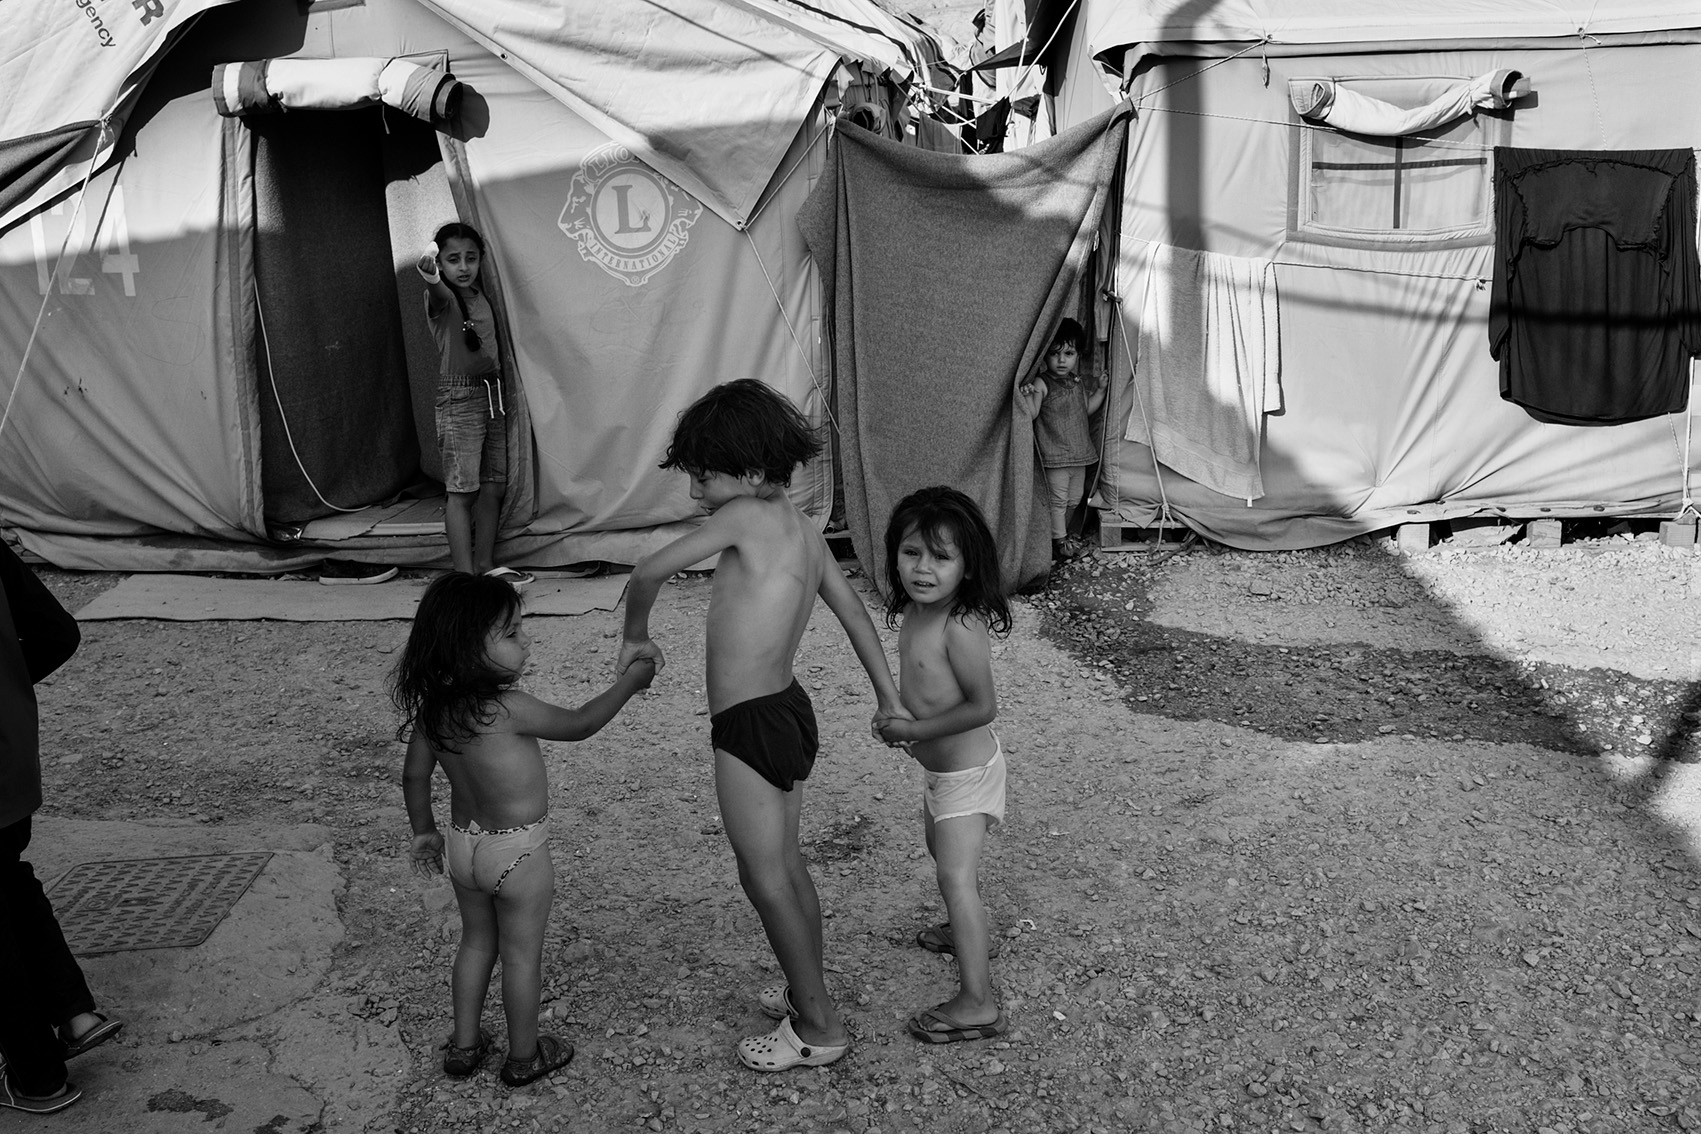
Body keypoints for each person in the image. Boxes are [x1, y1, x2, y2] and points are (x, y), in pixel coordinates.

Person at [616, 379, 907, 1072]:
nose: (692, 490)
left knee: (763, 876)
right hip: (787, 711)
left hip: (747, 725)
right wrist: (886, 696)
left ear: (748, 474)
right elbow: (853, 613)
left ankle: (817, 1025)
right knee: (785, 867)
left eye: (701, 474)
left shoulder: (743, 517)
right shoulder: (803, 529)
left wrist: (636, 639)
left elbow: (648, 570)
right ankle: (808, 989)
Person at [394, 572, 654, 1087]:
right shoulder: (508, 709)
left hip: (464, 848)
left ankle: (465, 1047)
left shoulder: (435, 713)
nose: (526, 641)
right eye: (512, 633)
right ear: (467, 647)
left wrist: (424, 832)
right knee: (520, 954)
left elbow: (414, 774)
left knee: (474, 944)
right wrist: (631, 681)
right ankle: (523, 1055)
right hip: (518, 854)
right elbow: (581, 723)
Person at [873, 487, 1011, 1044]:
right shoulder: (914, 610)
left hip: (967, 776)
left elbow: (982, 706)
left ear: (967, 565)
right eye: (911, 553)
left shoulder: (960, 624)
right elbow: (924, 687)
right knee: (943, 858)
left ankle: (978, 1001)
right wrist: (897, 716)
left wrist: (913, 731)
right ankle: (965, 929)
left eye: (940, 556)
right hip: (941, 774)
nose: (922, 568)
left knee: (955, 878)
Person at [0, 544, 123, 1114]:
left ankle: (37, 1075)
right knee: (8, 879)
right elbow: (56, 633)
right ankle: (77, 1015)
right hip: (9, 756)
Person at [417, 222, 533, 586]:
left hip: (493, 394)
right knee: (461, 490)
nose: (463, 267)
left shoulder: (483, 293)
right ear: (442, 263)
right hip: (460, 397)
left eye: (471, 258)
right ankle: (463, 579)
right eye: (453, 260)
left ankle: (484, 563)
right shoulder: (444, 298)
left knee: (493, 485)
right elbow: (437, 290)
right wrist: (432, 275)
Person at [1016, 317, 1105, 563]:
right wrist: (1025, 397)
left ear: (1078, 355)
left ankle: (1061, 535)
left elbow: (1086, 409)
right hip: (1055, 456)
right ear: (1044, 356)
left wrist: (1099, 391)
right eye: (1055, 354)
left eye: (1069, 353)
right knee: (1058, 500)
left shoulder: (1076, 382)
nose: (1062, 360)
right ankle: (1059, 542)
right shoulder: (1042, 383)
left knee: (1075, 499)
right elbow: (1032, 414)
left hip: (1079, 454)